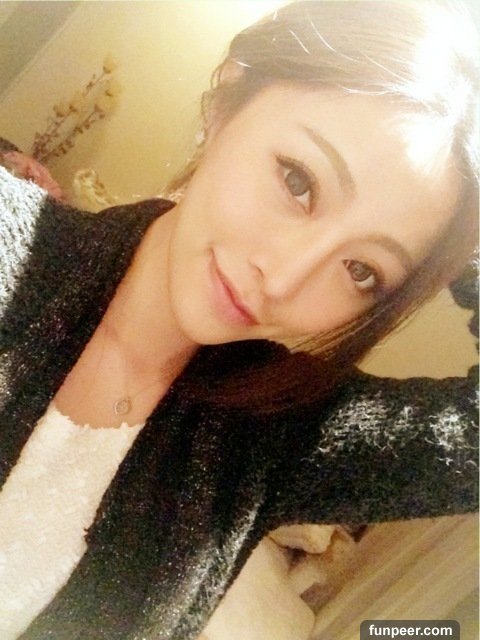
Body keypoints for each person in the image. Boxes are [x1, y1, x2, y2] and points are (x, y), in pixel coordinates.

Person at [0, 1, 478, 639]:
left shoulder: (279, 435)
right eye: (298, 181)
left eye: (362, 270)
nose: (282, 279)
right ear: (226, 101)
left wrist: (463, 238)